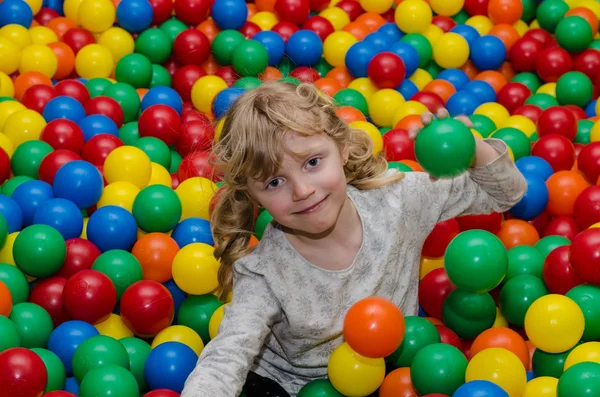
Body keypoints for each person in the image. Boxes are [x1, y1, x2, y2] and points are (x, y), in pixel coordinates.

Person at [180, 81, 527, 397]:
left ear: (342, 148)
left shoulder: (399, 202)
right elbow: (227, 356)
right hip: (290, 387)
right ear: (254, 197)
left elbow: (506, 193)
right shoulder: (265, 272)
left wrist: (471, 147)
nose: (302, 191)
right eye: (274, 183)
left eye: (313, 162)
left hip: (390, 372)